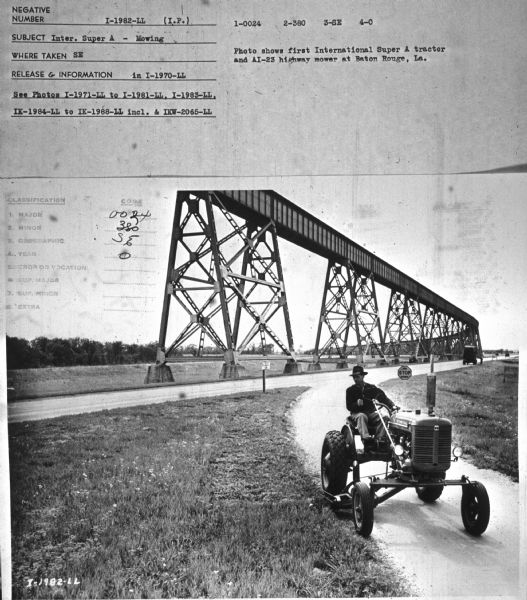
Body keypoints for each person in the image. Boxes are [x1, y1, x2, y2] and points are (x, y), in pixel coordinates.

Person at [346, 365, 396, 442]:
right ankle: (365, 438)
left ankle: (379, 439)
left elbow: (383, 398)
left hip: (370, 413)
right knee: (362, 416)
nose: (355, 379)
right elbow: (349, 406)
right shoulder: (350, 390)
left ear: (363, 376)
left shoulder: (371, 388)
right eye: (354, 377)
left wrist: (392, 406)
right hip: (357, 414)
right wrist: (356, 404)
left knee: (385, 417)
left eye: (357, 376)